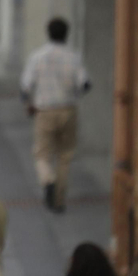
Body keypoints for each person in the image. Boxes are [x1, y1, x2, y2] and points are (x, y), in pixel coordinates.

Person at [20, 17, 90, 213]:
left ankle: (47, 180)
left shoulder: (37, 56)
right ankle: (59, 201)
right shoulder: (73, 56)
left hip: (44, 111)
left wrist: (29, 104)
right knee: (65, 156)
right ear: (66, 34)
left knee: (42, 154)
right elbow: (85, 83)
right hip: (68, 109)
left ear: (48, 33)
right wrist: (74, 95)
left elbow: (26, 86)